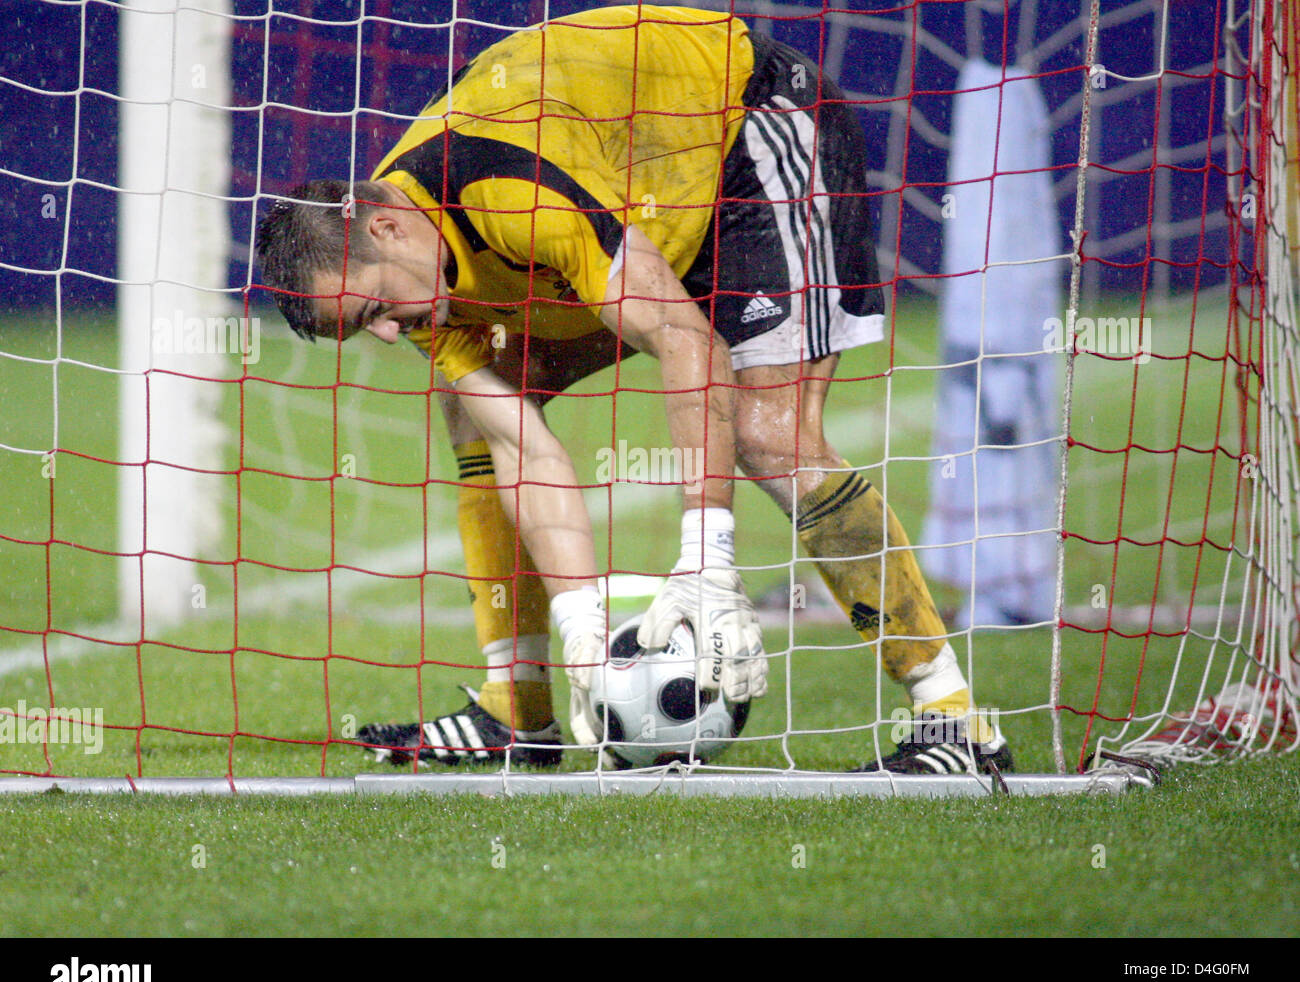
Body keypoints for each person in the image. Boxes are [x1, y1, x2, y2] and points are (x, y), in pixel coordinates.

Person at [254, 4, 1013, 775]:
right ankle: (518, 709)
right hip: (633, 199)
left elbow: (687, 339)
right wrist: (582, 620)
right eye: (366, 327)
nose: (389, 334)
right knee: (479, 420)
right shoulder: (414, 271)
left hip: (744, 134)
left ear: (384, 229)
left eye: (376, 311)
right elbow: (522, 441)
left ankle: (956, 724)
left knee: (770, 434)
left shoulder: (510, 192)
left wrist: (705, 560)